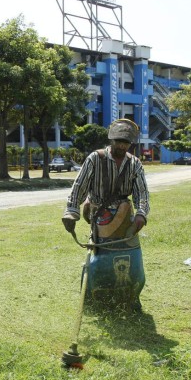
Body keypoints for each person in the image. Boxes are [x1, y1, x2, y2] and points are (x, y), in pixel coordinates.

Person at [61, 118, 150, 311]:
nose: (121, 145)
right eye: (118, 141)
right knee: (99, 259)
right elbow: (79, 186)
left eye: (126, 142)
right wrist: (71, 211)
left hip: (126, 216)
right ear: (111, 140)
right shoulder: (95, 158)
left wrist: (141, 215)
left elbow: (142, 193)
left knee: (132, 257)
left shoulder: (135, 164)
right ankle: (92, 298)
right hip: (99, 215)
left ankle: (131, 297)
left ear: (130, 144)